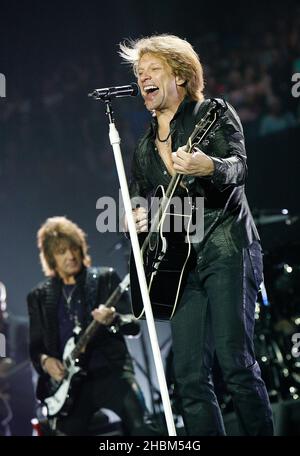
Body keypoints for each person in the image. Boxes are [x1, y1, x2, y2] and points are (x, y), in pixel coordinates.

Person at [120, 34, 274, 435]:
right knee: (189, 376)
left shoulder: (212, 113)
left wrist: (210, 167)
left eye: (153, 70)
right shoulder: (142, 148)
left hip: (227, 247)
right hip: (180, 267)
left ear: (182, 76)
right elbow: (141, 197)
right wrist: (137, 215)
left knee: (235, 362)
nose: (144, 79)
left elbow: (239, 167)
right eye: (139, 74)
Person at [27, 216, 148, 436]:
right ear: (51, 258)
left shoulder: (104, 278)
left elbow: (135, 325)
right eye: (62, 251)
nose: (71, 256)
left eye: (74, 248)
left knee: (143, 427)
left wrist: (115, 320)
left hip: (111, 371)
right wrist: (46, 363)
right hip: (70, 385)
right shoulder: (39, 296)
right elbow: (35, 347)